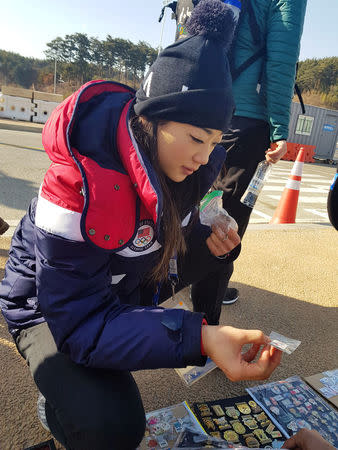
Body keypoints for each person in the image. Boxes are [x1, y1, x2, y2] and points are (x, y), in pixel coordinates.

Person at [0, 2, 281, 449]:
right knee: (113, 426)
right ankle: (58, 403)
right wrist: (203, 338)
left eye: (213, 142)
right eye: (194, 138)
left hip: (112, 286)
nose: (204, 158)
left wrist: (210, 245)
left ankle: (81, 383)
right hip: (48, 307)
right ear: (151, 117)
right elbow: (77, 322)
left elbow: (162, 253)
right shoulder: (77, 184)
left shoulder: (187, 170)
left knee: (215, 249)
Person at [172, 0, 307, 310]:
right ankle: (205, 326)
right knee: (225, 225)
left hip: (198, 109)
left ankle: (167, 287)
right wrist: (279, 129)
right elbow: (281, 62)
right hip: (244, 123)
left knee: (189, 207)